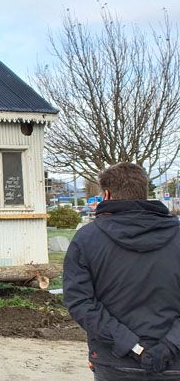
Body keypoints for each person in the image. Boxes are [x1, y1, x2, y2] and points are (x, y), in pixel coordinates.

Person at [63, 163, 180, 380]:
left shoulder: (87, 239)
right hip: (173, 363)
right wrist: (168, 346)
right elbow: (80, 302)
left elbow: (80, 302)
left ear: (106, 194)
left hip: (115, 362)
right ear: (144, 192)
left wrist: (133, 346)